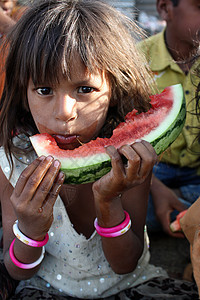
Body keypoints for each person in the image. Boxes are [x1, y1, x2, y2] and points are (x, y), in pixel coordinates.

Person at [0, 1, 198, 299]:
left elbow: (125, 264)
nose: (65, 112)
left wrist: (108, 202)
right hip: (47, 289)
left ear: (114, 89)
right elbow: (16, 270)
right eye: (44, 90)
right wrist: (30, 228)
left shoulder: (128, 155)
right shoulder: (13, 161)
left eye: (84, 89)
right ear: (22, 92)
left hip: (129, 286)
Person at [138, 0, 200, 237]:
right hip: (150, 173)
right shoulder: (136, 61)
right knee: (127, 209)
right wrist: (154, 187)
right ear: (165, 8)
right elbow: (117, 138)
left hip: (197, 174)